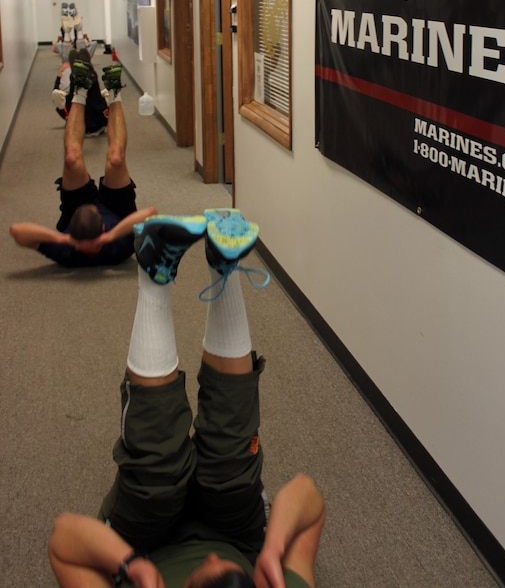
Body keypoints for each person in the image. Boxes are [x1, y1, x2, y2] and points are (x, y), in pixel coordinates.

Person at [47, 209, 326, 587]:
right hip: (238, 533)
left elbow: (63, 540)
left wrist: (130, 564)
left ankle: (153, 275)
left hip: (143, 542)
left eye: (204, 568)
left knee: (156, 473)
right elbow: (309, 498)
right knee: (231, 459)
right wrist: (272, 549)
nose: (211, 555)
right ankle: (222, 268)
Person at [10, 49, 156, 267]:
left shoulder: (67, 252)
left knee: (71, 157)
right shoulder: (117, 249)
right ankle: (114, 91)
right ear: (104, 230)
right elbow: (150, 214)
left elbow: (17, 231)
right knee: (116, 158)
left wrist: (63, 239)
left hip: (76, 209)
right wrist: (108, 238)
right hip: (118, 211)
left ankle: (80, 89)